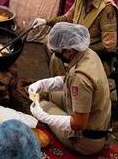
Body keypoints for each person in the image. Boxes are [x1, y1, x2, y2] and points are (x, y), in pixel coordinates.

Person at [29, 22, 111, 155]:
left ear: (69, 50)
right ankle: (55, 110)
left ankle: (73, 141)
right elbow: (69, 79)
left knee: (42, 104)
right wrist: (43, 84)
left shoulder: (80, 78)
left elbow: (79, 124)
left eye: (57, 52)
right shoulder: (88, 53)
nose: (55, 56)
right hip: (98, 119)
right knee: (45, 93)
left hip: (87, 140)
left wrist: (45, 117)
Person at [32, 0, 118, 76]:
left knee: (56, 58)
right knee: (47, 41)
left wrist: (79, 50)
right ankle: (61, 79)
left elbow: (109, 47)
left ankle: (65, 85)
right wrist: (46, 21)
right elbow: (66, 18)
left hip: (92, 53)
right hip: (75, 44)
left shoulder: (107, 8)